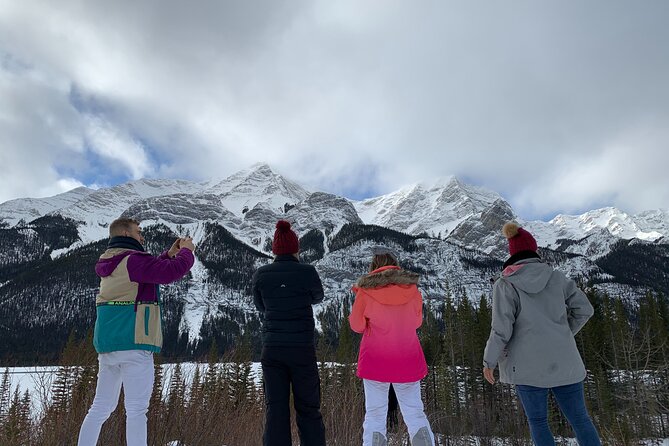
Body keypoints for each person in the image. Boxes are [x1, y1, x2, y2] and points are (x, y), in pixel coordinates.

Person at [78, 218, 195, 446]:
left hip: (108, 345)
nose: (142, 237)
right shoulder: (133, 260)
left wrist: (168, 254)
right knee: (136, 411)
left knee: (101, 407)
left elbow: (145, 275)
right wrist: (187, 253)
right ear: (125, 233)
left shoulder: (109, 261)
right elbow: (169, 273)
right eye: (139, 232)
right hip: (135, 341)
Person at [483, 222, 601, 446]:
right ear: (534, 251)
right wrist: (563, 334)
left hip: (527, 367)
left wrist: (489, 361)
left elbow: (501, 329)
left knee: (538, 421)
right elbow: (585, 309)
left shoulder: (505, 284)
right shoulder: (557, 277)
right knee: (580, 419)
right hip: (565, 362)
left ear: (512, 253)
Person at [349, 246, 434, 446]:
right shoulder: (412, 290)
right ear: (396, 266)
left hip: (376, 361)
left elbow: (356, 325)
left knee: (375, 415)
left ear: (374, 267)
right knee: (414, 412)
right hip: (407, 359)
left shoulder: (366, 291)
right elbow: (417, 322)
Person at [251, 220, 326, 446]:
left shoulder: (261, 275)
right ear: (296, 249)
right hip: (302, 348)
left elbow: (260, 306)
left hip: (272, 349)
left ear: (275, 250)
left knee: (275, 410)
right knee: (309, 408)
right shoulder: (307, 272)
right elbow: (318, 297)